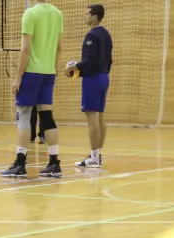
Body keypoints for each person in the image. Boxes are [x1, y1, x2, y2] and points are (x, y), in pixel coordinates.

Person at [2, 0, 64, 178]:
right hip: (49, 72)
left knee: (24, 116)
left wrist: (18, 76)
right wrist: (54, 70)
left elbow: (26, 49)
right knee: (47, 117)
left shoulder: (30, 13)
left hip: (31, 72)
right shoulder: (57, 14)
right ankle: (54, 163)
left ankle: (20, 164)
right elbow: (59, 48)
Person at [66, 4, 112, 168]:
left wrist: (73, 67)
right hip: (104, 77)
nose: (84, 17)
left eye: (87, 14)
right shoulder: (106, 34)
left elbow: (89, 61)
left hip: (93, 80)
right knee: (100, 118)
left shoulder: (92, 35)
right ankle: (97, 155)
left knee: (92, 118)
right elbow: (108, 60)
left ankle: (94, 157)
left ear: (95, 16)